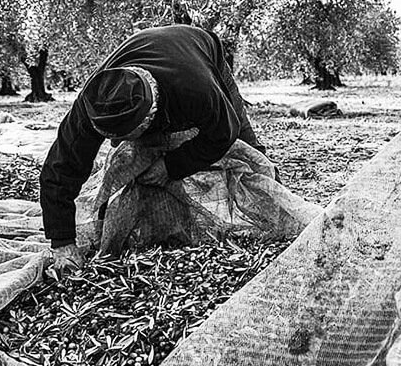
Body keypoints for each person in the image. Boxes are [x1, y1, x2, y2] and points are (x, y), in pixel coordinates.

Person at [41, 25, 266, 275]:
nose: (115, 145)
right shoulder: (94, 101)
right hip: (152, 57)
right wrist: (62, 242)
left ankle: (268, 197)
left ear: (149, 117)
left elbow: (224, 132)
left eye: (123, 137)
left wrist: (171, 165)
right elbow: (60, 169)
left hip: (200, 51)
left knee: (246, 147)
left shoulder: (197, 89)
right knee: (134, 158)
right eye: (110, 139)